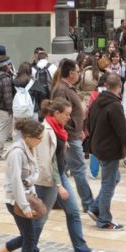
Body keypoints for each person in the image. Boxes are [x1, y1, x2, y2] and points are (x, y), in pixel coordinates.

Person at [32, 98, 104, 252]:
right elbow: (46, 162)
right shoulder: (45, 130)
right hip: (48, 180)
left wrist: (63, 146)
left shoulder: (58, 128)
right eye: (66, 114)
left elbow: (55, 150)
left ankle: (82, 251)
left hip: (59, 175)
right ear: (56, 113)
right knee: (41, 217)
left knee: (73, 212)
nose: (69, 118)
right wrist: (58, 185)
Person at [0, 119, 47, 252]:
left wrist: (29, 181)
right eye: (39, 138)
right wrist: (25, 206)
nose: (40, 141)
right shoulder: (16, 153)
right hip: (16, 201)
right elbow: (15, 182)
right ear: (28, 136)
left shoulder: (30, 148)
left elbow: (34, 173)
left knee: (27, 236)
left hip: (25, 196)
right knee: (29, 237)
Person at [87, 73, 126, 230]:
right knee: (108, 184)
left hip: (98, 147)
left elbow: (88, 123)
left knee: (114, 178)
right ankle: (104, 219)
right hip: (108, 150)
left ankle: (94, 207)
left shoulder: (97, 101)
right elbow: (124, 133)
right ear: (119, 87)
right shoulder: (115, 106)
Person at [52, 59, 94, 213]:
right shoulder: (62, 90)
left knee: (63, 168)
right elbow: (59, 115)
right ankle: (88, 203)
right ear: (71, 74)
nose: (79, 74)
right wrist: (70, 132)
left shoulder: (67, 88)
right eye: (77, 71)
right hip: (69, 137)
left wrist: (80, 127)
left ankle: (56, 199)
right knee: (79, 169)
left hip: (72, 134)